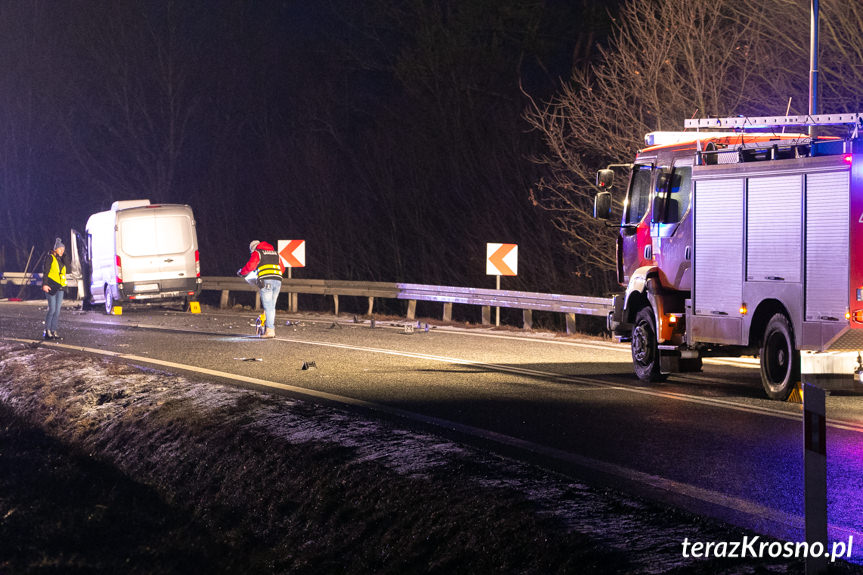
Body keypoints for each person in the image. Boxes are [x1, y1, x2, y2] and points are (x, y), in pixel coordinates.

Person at [238, 240, 284, 338]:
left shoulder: (257, 253)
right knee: (272, 306)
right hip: (278, 281)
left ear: (254, 248)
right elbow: (282, 268)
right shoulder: (276, 253)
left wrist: (241, 272)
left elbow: (250, 266)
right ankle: (269, 329)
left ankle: (270, 331)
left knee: (268, 307)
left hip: (267, 281)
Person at [41, 237, 67, 340]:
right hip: (51, 286)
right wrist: (45, 284)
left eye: (63, 250)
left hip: (60, 288)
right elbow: (46, 272)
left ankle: (53, 331)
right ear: (56, 249)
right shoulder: (50, 257)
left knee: (57, 311)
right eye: (60, 249)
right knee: (52, 309)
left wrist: (64, 256)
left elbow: (68, 268)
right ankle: (47, 331)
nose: (62, 251)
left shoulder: (61, 260)